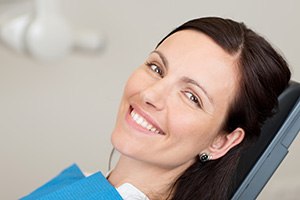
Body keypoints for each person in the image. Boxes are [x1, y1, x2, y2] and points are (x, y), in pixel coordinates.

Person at [21, 17, 291, 200]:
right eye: (156, 68)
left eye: (191, 96)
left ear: (222, 141)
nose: (150, 94)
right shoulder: (84, 183)